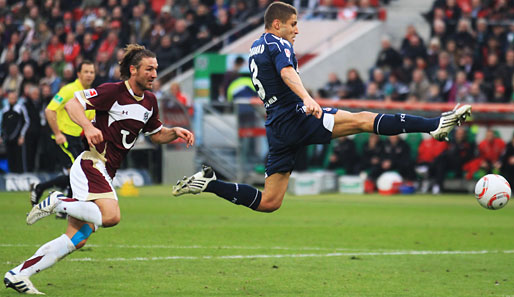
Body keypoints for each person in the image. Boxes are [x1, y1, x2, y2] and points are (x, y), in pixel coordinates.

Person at [172, 2, 471, 212]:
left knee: (270, 202)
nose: (296, 31)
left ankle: (210, 184)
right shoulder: (279, 44)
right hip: (295, 116)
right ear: (277, 24)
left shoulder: (255, 47)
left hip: (277, 126)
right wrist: (307, 98)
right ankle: (434, 125)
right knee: (364, 120)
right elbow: (287, 72)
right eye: (293, 24)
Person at [4, 44, 194, 294]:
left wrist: (173, 133)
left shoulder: (149, 101)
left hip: (105, 170)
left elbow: (155, 135)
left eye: (156, 69)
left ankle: (18, 274)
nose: (154, 74)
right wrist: (89, 127)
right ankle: (59, 201)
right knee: (111, 216)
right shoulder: (113, 92)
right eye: (149, 69)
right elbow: (73, 105)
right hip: (91, 163)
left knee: (77, 238)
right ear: (133, 69)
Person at [30, 61, 96, 211]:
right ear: (78, 74)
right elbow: (49, 110)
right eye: (86, 71)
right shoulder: (68, 90)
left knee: (78, 173)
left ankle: (42, 189)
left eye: (91, 72)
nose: (89, 75)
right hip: (64, 137)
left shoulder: (90, 93)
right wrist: (58, 133)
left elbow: (90, 119)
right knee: (78, 172)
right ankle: (66, 206)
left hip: (77, 140)